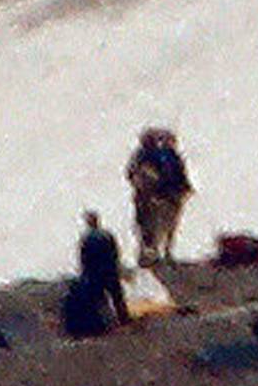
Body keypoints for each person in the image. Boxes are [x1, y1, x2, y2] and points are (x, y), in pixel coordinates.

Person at [127, 126, 193, 264]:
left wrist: (185, 188)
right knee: (148, 226)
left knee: (167, 225)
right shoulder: (144, 156)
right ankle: (150, 253)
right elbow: (133, 175)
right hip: (149, 198)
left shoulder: (170, 157)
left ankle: (164, 251)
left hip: (168, 197)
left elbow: (178, 175)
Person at [65, 209, 127, 338]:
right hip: (110, 270)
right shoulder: (107, 235)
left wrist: (84, 272)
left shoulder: (87, 238)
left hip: (95, 273)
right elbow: (116, 253)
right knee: (117, 296)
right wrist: (116, 267)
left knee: (97, 299)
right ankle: (124, 319)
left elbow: (84, 258)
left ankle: (104, 324)